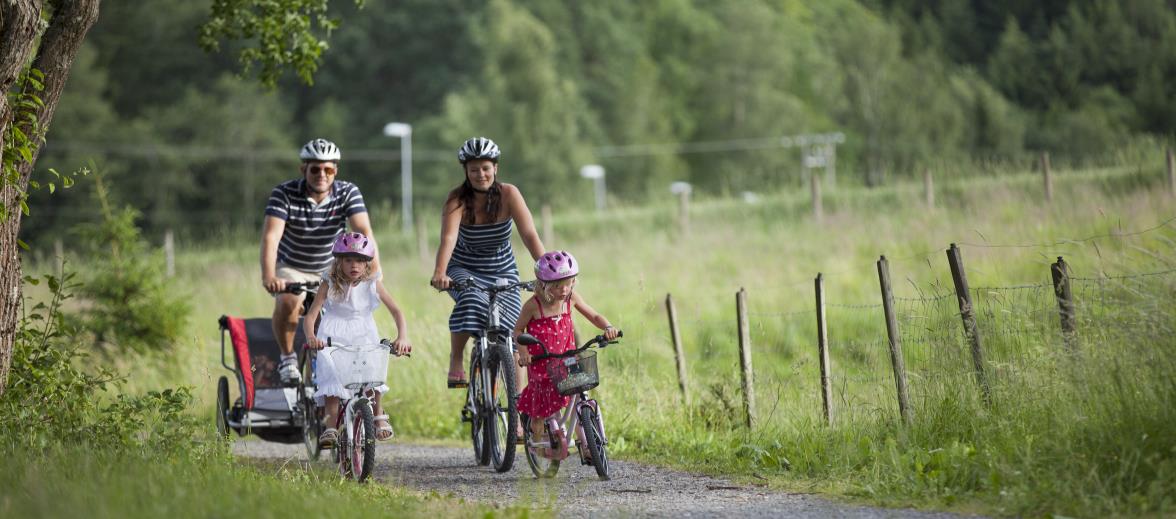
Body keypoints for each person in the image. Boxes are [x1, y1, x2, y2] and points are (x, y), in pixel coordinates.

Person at [260, 138, 378, 385]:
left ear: (336, 170)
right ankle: (288, 358)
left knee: (341, 317)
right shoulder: (284, 193)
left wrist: (374, 272)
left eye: (328, 169)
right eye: (315, 169)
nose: (321, 174)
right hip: (293, 266)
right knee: (289, 300)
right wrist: (269, 276)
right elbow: (272, 236)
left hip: (331, 268)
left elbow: (364, 232)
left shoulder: (348, 192)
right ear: (303, 170)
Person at [429, 137, 545, 388]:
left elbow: (529, 235)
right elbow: (448, 238)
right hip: (463, 268)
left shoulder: (509, 194)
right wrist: (440, 271)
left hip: (502, 269)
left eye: (485, 168)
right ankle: (457, 360)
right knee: (470, 299)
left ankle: (517, 409)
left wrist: (547, 271)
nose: (480, 174)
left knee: (514, 332)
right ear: (466, 172)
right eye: (474, 169)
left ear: (495, 168)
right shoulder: (456, 199)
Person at [303, 232, 411, 446]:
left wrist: (403, 336)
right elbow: (312, 315)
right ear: (339, 262)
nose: (354, 265)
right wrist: (312, 337)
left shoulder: (372, 281)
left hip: (363, 329)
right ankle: (331, 426)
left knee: (373, 369)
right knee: (332, 374)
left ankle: (378, 415)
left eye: (360, 260)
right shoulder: (329, 281)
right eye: (349, 260)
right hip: (333, 332)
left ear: (367, 264)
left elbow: (397, 311)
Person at [513, 250, 618, 457]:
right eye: (558, 286)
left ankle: (587, 444)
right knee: (540, 408)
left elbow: (594, 314)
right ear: (544, 285)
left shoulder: (571, 299)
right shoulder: (533, 306)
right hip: (541, 363)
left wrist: (608, 327)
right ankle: (538, 441)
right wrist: (523, 352)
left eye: (569, 284)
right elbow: (518, 330)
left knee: (578, 398)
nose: (564, 290)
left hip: (567, 359)